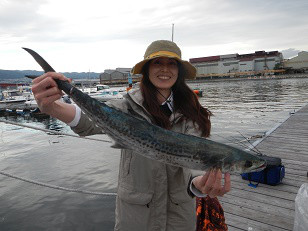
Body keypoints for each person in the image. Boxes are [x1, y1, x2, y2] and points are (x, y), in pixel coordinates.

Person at [32, 40, 231, 231]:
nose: (165, 69)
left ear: (178, 71)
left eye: (172, 64)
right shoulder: (127, 106)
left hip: (178, 219)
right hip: (136, 217)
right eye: (157, 63)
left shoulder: (193, 112)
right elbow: (87, 121)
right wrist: (53, 107)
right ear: (146, 69)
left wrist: (200, 183)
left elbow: (196, 157)